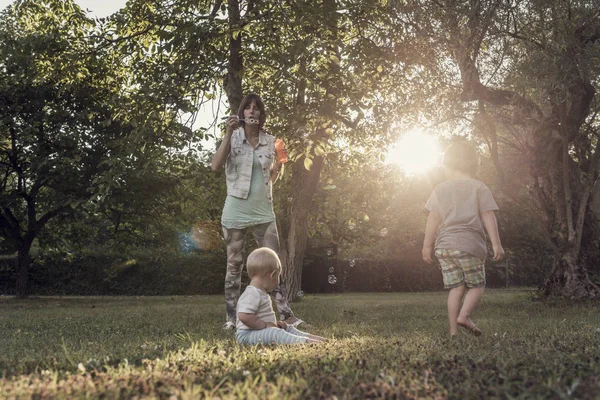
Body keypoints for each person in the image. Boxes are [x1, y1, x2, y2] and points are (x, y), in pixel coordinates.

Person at [211, 93, 304, 330]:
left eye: (256, 108)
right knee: (234, 265)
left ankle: (286, 315)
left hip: (263, 208)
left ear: (261, 115)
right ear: (242, 113)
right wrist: (228, 134)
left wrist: (279, 165)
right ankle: (231, 319)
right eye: (248, 108)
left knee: (274, 264)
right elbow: (215, 165)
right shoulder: (233, 137)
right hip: (236, 208)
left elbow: (271, 178)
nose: (252, 111)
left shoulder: (271, 142)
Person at [422, 141, 505, 336]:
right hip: (469, 246)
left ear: (449, 164)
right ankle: (464, 316)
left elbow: (433, 218)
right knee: (477, 285)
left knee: (455, 288)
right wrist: (496, 244)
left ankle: (453, 331)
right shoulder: (479, 187)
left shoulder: (440, 188)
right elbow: (488, 215)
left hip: (444, 247)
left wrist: (426, 246)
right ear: (473, 164)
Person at [235, 248, 327, 345]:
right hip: (246, 335)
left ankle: (310, 338)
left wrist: (273, 324)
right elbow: (244, 316)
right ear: (273, 275)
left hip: (257, 331)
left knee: (286, 327)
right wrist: (265, 325)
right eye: (278, 276)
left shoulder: (260, 292)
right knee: (275, 333)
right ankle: (304, 342)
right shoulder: (252, 292)